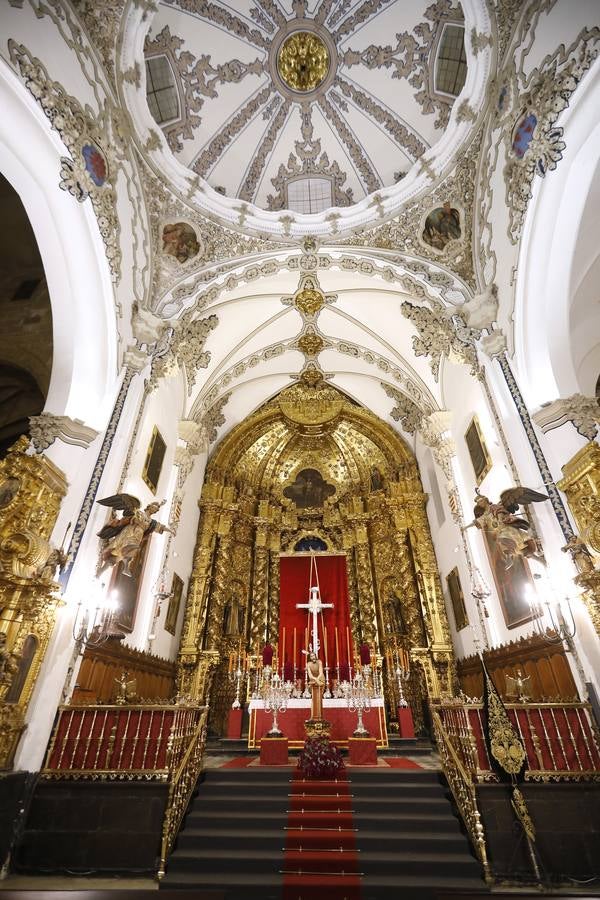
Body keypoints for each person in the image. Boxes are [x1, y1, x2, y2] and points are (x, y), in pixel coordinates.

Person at [306, 651, 325, 720]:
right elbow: (310, 675)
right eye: (311, 656)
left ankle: (319, 716)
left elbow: (321, 672)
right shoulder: (308, 664)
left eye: (314, 655)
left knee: (319, 697)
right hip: (313, 679)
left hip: (320, 679)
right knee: (313, 698)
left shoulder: (319, 662)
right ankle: (313, 716)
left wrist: (317, 679)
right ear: (309, 658)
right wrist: (314, 679)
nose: (313, 657)